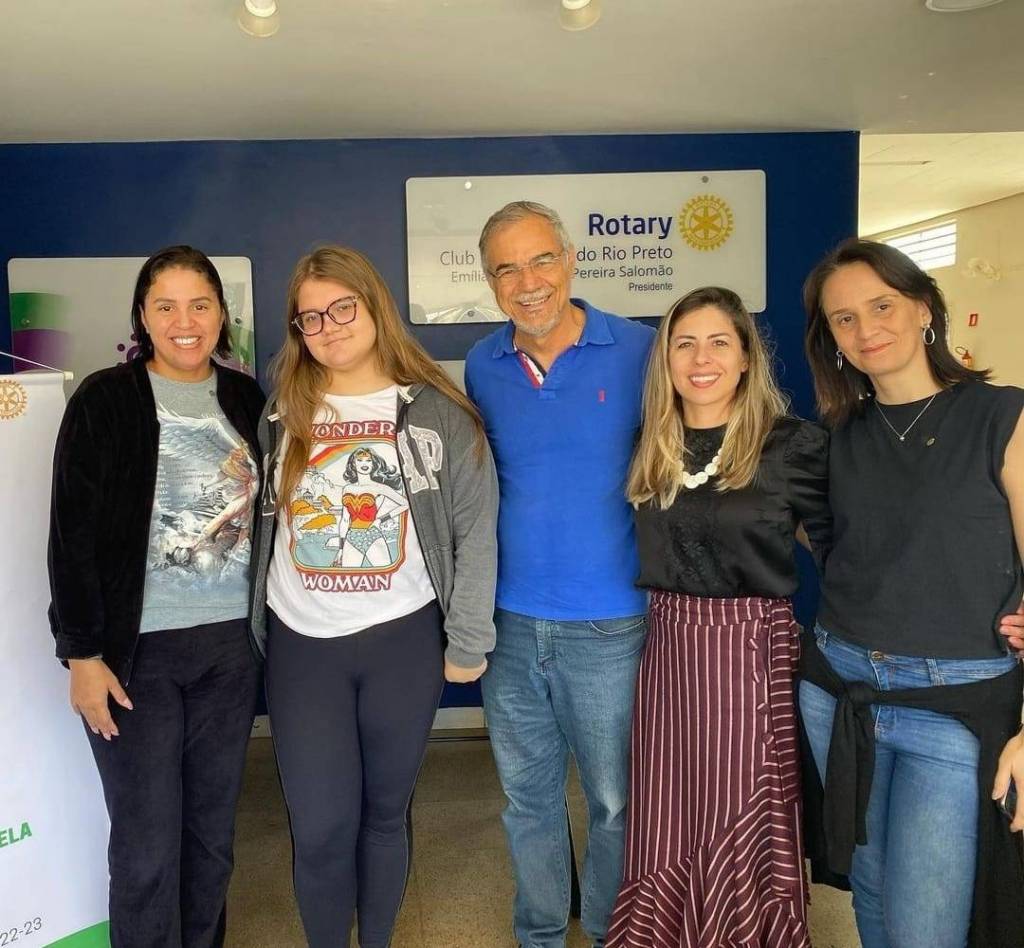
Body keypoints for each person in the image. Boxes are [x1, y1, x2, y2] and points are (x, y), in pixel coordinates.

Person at [248, 245, 498, 948]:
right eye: (309, 318)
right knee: (321, 828)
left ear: (374, 306)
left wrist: (469, 639)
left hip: (401, 642)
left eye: (341, 308)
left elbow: (476, 531)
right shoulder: (283, 413)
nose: (327, 327)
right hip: (304, 647)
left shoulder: (439, 413)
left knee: (385, 816)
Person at [799, 238, 1024, 948]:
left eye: (882, 306)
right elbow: (826, 540)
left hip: (954, 704)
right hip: (840, 689)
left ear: (924, 308)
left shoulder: (1002, 416)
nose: (865, 329)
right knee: (868, 889)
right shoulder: (836, 436)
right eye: (843, 318)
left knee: (926, 922)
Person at [47, 246, 265, 947]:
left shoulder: (246, 400)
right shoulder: (105, 399)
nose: (184, 321)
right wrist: (82, 654)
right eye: (165, 306)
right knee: (145, 849)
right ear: (141, 316)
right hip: (133, 659)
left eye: (200, 304)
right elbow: (70, 535)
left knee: (210, 840)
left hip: (229, 654)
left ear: (222, 315)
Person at [604, 286, 829, 948]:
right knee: (668, 806)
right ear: (666, 360)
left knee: (737, 805)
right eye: (685, 344)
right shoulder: (651, 442)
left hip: (747, 651)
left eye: (718, 343)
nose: (701, 359)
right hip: (668, 648)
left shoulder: (790, 445)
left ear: (746, 357)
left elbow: (844, 549)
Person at [464, 200, 655, 948]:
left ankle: (611, 931)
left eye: (542, 259)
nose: (528, 282)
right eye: (506, 269)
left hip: (612, 624)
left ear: (571, 260)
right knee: (528, 802)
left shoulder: (641, 349)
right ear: (490, 282)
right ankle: (540, 933)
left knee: (615, 803)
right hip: (508, 624)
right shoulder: (483, 365)